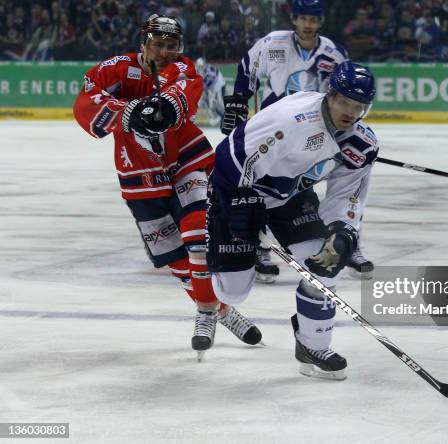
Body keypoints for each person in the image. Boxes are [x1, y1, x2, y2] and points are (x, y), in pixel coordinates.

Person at [73, 14, 261, 360]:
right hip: (138, 172)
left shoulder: (184, 67)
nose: (164, 52)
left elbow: (179, 96)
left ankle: (205, 313)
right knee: (176, 258)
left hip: (186, 157)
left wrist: (160, 109)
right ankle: (219, 310)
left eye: (171, 46)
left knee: (197, 237)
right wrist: (128, 112)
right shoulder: (116, 69)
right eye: (157, 44)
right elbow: (86, 103)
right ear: (142, 44)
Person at [208, 61, 378, 380]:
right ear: (331, 95)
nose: (350, 112)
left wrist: (341, 231)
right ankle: (200, 277)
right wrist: (242, 204)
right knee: (232, 293)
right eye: (344, 102)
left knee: (327, 261)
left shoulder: (361, 144)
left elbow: (345, 196)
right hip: (237, 190)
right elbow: (229, 155)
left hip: (291, 198)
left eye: (358, 106)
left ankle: (312, 345)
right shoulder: (292, 119)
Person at [221, 0, 374, 282]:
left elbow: (349, 95)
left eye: (314, 20)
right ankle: (259, 247)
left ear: (321, 22)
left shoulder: (333, 52)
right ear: (294, 19)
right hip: (281, 129)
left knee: (350, 182)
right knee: (263, 181)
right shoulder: (273, 43)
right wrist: (238, 105)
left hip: (325, 131)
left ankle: (349, 243)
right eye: (303, 18)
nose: (308, 25)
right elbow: (247, 70)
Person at [194, 57, 226, 127]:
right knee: (212, 104)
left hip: (218, 85)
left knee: (218, 103)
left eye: (201, 66)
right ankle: (218, 118)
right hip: (213, 87)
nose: (201, 67)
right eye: (200, 66)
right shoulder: (200, 70)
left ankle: (224, 118)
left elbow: (208, 83)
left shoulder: (208, 70)